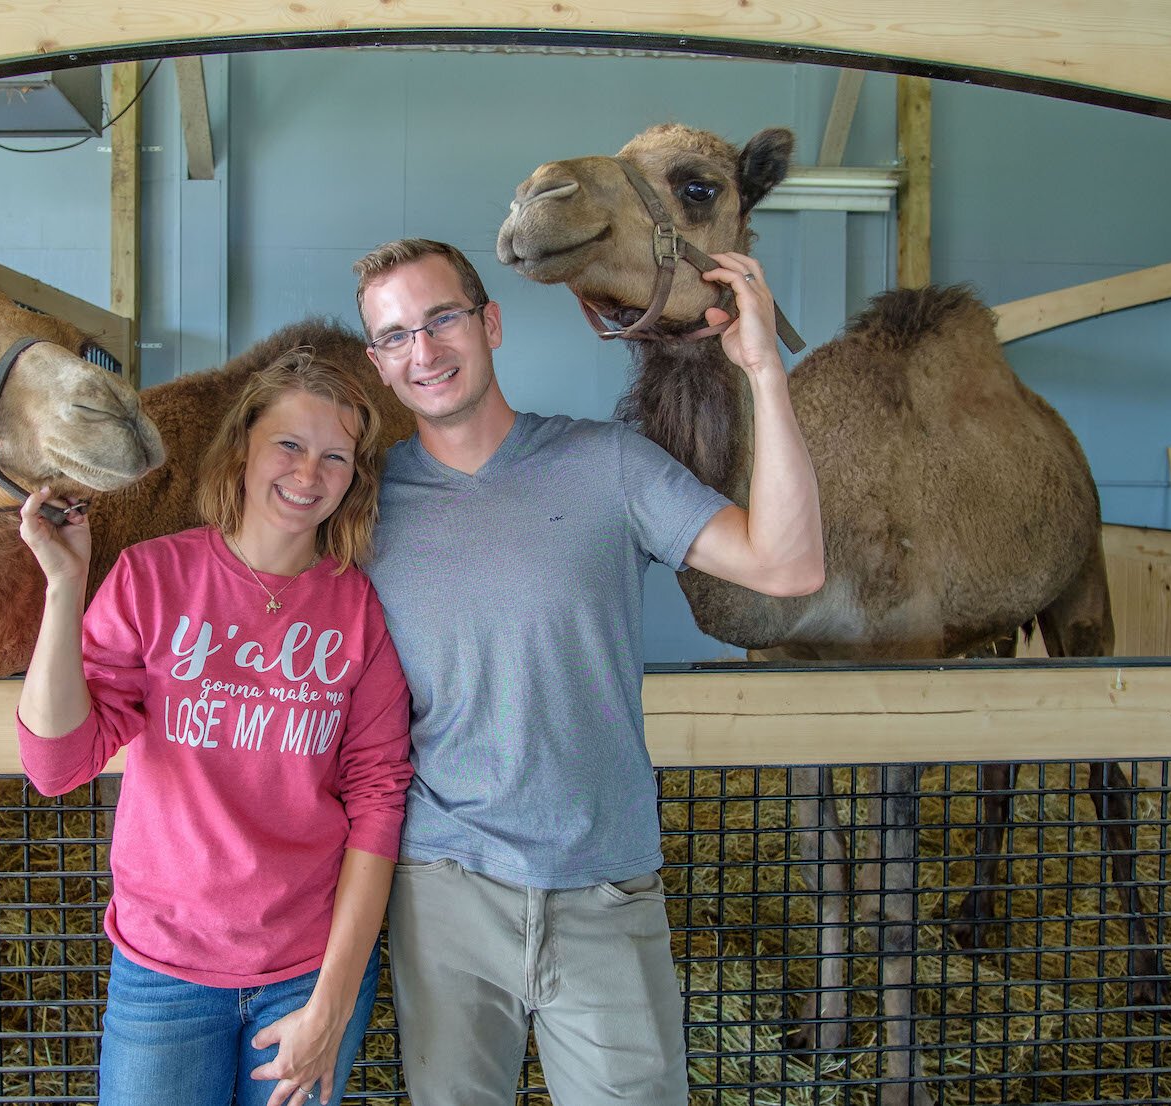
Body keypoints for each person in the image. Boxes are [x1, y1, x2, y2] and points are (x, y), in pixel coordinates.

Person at [352, 238, 824, 1105]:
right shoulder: (363, 508)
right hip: (442, 891)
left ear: (489, 322)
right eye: (396, 336)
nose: (424, 351)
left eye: (442, 319)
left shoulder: (610, 463)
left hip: (605, 886)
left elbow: (788, 564)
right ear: (378, 364)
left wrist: (764, 374)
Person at [15, 349, 413, 1106]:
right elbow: (57, 763)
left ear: (354, 479)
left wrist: (331, 1002)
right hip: (163, 972)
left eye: (335, 457)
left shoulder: (357, 609)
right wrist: (65, 587)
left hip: (307, 972)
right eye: (289, 446)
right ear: (243, 448)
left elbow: (379, 802)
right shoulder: (151, 578)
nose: (308, 473)